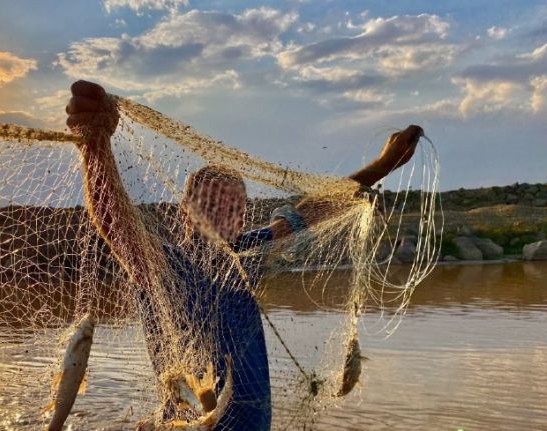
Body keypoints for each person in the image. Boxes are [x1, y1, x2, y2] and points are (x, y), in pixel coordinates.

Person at [66, 80, 421, 430]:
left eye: (235, 207)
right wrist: (95, 146)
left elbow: (311, 212)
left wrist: (384, 165)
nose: (226, 215)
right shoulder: (166, 265)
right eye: (213, 204)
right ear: (186, 210)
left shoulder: (246, 255)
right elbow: (115, 222)